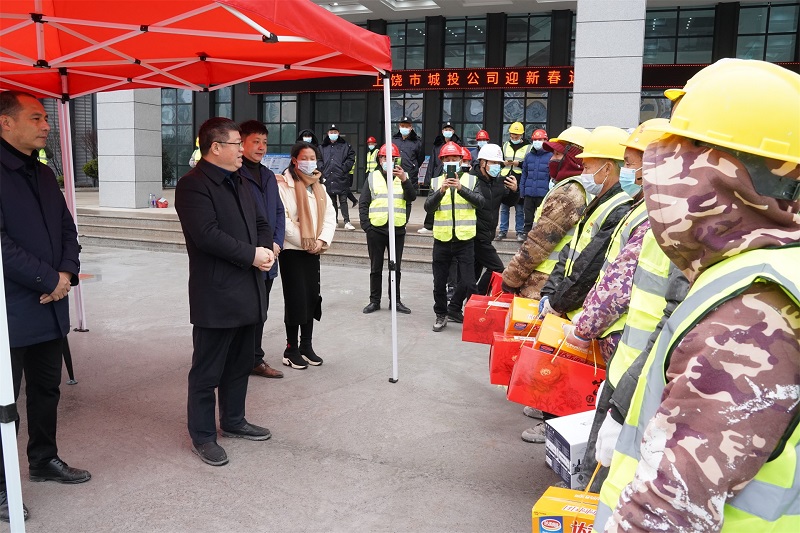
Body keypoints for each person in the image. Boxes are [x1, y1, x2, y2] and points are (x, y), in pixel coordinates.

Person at [596, 59, 800, 533]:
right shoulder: (760, 264)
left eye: (686, 146)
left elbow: (669, 510)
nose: (661, 163)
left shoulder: (757, 306)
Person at [0, 90, 90, 522]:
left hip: (50, 305)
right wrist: (48, 278)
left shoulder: (41, 172)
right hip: (10, 310)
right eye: (36, 118)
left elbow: (66, 227)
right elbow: (2, 246)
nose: (46, 125)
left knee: (46, 391)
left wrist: (67, 274)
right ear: (6, 123)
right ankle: (1, 487)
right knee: (3, 404)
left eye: (46, 118)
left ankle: (43, 460)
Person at [175, 117, 275, 467]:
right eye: (237, 143)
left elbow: (262, 222)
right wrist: (252, 255)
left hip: (249, 288)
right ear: (216, 147)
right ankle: (203, 435)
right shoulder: (193, 185)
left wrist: (267, 248)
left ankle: (233, 420)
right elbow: (206, 234)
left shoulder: (241, 181)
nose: (243, 150)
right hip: (216, 294)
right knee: (207, 370)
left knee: (238, 364)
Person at [501, 126, 591, 301]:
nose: (551, 159)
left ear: (572, 158)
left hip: (545, 283)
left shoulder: (568, 193)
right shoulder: (581, 188)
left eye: (557, 155)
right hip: (558, 281)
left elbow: (538, 243)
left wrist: (511, 278)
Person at [277, 142, 336, 370]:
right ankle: (291, 349)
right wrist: (306, 241)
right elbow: (283, 220)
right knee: (295, 300)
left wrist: (321, 240)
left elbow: (330, 215)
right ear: (294, 160)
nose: (310, 161)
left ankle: (306, 346)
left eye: (313, 157)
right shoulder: (284, 185)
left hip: (314, 250)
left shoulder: (318, 186)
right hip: (293, 251)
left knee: (312, 298)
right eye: (305, 157)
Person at [238, 120, 285, 379]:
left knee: (261, 311)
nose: (261, 147)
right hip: (247, 257)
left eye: (264, 142)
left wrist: (276, 242)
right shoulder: (236, 175)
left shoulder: (267, 175)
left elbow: (278, 211)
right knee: (244, 312)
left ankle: (255, 358)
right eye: (255, 141)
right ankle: (239, 359)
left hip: (270, 257)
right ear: (241, 143)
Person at [424, 141, 485, 332]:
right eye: (447, 159)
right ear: (442, 162)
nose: (451, 162)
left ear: (461, 160)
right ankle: (441, 315)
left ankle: (473, 317)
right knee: (439, 283)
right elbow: (428, 207)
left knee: (469, 282)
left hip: (464, 239)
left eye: (455, 159)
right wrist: (441, 191)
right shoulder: (436, 182)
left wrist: (460, 188)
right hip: (442, 239)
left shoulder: (471, 180)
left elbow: (480, 202)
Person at [358, 143, 417, 315]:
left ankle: (395, 301)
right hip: (376, 230)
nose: (387, 160)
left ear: (397, 159)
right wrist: (366, 226)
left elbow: (411, 197)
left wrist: (404, 179)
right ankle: (374, 301)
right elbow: (363, 203)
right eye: (384, 157)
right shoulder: (372, 177)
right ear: (379, 159)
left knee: (395, 268)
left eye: (391, 158)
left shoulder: (403, 177)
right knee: (375, 268)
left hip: (397, 230)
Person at [472, 143, 519, 295]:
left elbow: (509, 202)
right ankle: (478, 296)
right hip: (475, 235)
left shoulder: (499, 182)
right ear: (482, 163)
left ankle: (456, 306)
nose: (496, 166)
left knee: (472, 275)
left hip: (488, 234)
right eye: (493, 163)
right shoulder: (472, 180)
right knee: (497, 267)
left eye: (498, 163)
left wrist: (514, 191)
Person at [420, 122, 464, 234]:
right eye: (446, 129)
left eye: (450, 129)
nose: (448, 131)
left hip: (454, 175)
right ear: (442, 131)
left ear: (453, 131)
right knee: (434, 199)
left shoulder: (458, 144)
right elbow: (432, 163)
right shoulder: (437, 144)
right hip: (438, 174)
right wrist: (428, 179)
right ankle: (428, 225)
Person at [497, 121, 530, 241]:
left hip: (519, 179)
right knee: (504, 207)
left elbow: (528, 164)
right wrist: (503, 163)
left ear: (521, 135)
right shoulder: (505, 145)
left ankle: (520, 232)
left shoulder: (528, 147)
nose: (513, 138)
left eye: (516, 136)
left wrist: (518, 163)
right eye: (512, 136)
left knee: (519, 208)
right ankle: (502, 231)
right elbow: (498, 160)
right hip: (506, 178)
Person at [320, 124, 356, 231]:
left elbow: (351, 158)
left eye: (335, 132)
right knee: (332, 201)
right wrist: (323, 169)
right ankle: (334, 221)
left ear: (338, 133)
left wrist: (344, 169)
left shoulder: (345, 146)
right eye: (331, 132)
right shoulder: (322, 147)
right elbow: (318, 159)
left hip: (341, 177)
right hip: (328, 177)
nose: (333, 134)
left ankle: (347, 221)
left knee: (343, 200)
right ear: (328, 134)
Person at [519, 129, 552, 234]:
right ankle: (526, 233)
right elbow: (524, 174)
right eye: (535, 139)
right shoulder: (529, 156)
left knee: (542, 216)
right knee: (527, 215)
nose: (537, 141)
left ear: (545, 140)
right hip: (529, 192)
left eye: (540, 139)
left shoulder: (551, 156)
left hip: (543, 193)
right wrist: (522, 190)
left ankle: (540, 234)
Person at [391, 115, 424, 191]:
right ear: (399, 127)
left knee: (408, 197)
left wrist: (413, 166)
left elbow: (420, 158)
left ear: (411, 128)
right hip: (395, 173)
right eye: (402, 126)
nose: (404, 128)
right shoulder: (394, 141)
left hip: (410, 174)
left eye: (407, 126)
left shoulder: (417, 142)